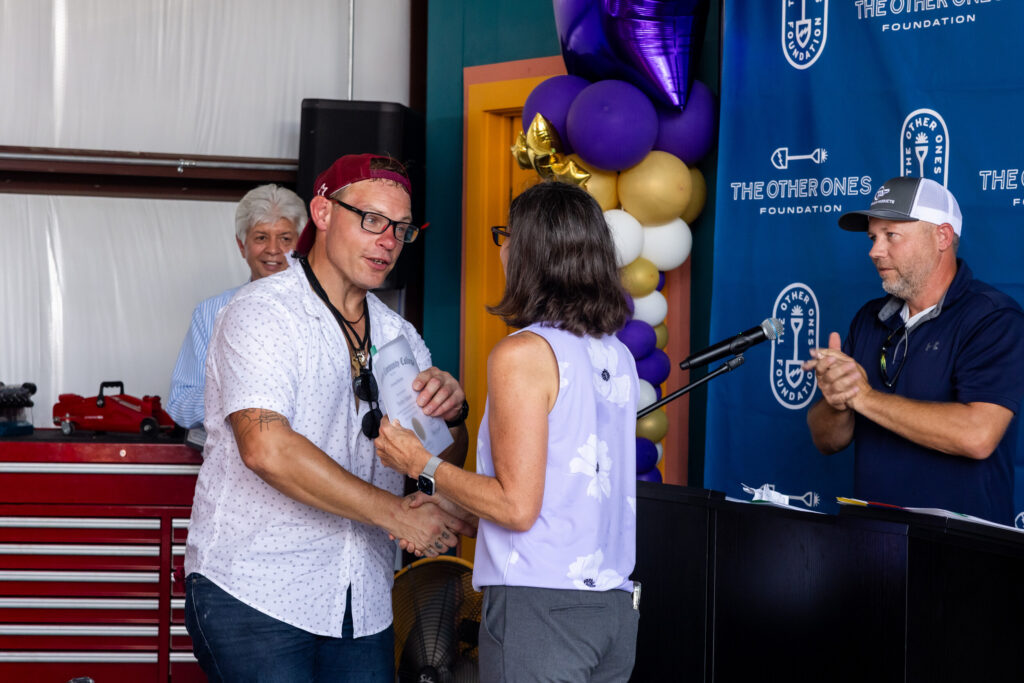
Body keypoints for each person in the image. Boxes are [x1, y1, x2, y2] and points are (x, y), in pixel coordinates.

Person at [183, 154, 474, 682]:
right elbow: (267, 449)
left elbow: (434, 459)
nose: (388, 240)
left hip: (362, 600)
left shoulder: (399, 335)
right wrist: (397, 514)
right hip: (257, 590)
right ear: (322, 212)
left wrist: (451, 415)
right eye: (372, 219)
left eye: (401, 228)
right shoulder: (262, 312)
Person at [376, 180, 641, 682]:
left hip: (540, 611)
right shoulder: (617, 354)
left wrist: (421, 465)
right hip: (612, 611)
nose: (502, 249)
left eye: (506, 235)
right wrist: (454, 508)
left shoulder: (522, 354)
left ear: (528, 250)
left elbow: (517, 508)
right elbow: (558, 504)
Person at [804, 176, 1024, 524]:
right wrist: (837, 400)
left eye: (891, 235)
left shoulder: (993, 318)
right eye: (873, 238)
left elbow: (978, 435)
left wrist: (863, 397)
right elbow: (826, 441)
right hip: (872, 539)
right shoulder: (869, 318)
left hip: (958, 545)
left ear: (942, 237)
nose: (875, 251)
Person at [167, 183, 307, 429]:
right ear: (242, 246)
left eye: (285, 238)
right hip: (232, 453)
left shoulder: (322, 311)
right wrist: (240, 398)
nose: (273, 249)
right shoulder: (211, 312)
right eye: (261, 237)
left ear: (301, 246)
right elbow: (180, 403)